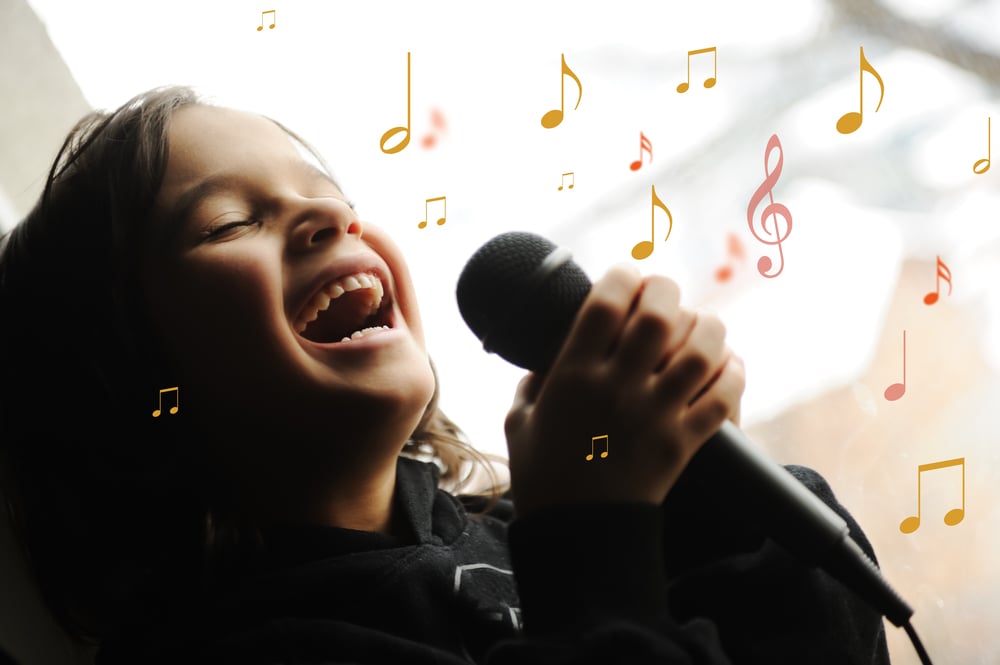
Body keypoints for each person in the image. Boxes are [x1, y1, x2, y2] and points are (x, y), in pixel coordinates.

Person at [0, 85, 891, 665]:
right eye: (229, 222)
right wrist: (592, 535)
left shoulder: (514, 530)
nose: (326, 215)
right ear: (128, 383)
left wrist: (703, 495)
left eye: (330, 193)